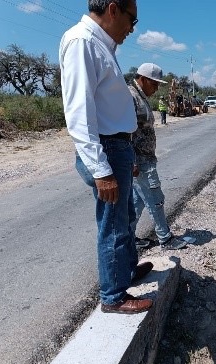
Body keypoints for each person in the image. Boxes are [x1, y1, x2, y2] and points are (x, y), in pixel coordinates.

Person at [59, 0, 153, 314]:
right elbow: (79, 113)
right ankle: (113, 296)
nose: (132, 29)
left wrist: (128, 155)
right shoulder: (82, 43)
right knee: (113, 224)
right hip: (107, 149)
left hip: (119, 148)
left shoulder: (101, 45)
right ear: (113, 9)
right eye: (132, 20)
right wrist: (101, 170)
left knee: (125, 216)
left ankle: (125, 271)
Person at [128, 63, 187, 251]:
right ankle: (165, 238)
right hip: (140, 161)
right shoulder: (130, 97)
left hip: (145, 159)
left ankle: (129, 238)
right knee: (156, 198)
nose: (156, 89)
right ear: (143, 79)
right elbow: (125, 133)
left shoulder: (141, 96)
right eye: (154, 84)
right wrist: (133, 161)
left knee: (137, 203)